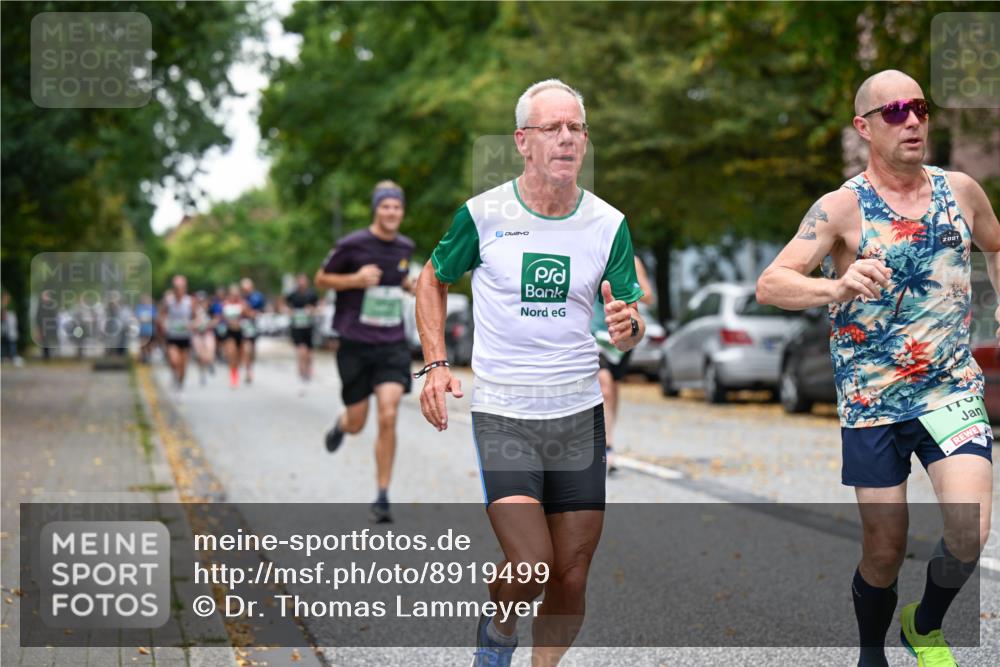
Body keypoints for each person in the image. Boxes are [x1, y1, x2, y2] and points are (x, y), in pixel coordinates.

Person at [756, 70, 997, 667]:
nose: (911, 120)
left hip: (951, 391)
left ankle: (925, 625)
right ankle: (871, 652)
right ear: (864, 127)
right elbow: (772, 283)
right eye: (894, 112)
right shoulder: (840, 207)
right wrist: (835, 287)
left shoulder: (962, 192)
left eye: (919, 107)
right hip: (873, 403)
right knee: (884, 550)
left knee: (969, 531)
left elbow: (996, 244)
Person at [415, 79, 645, 667]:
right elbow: (432, 279)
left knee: (571, 573)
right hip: (506, 414)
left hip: (578, 414)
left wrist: (628, 328)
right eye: (552, 128)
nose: (566, 138)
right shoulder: (483, 215)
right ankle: (498, 628)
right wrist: (436, 364)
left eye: (576, 128)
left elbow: (627, 319)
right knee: (532, 565)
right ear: (522, 141)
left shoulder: (608, 223)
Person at [315, 179, 416, 524]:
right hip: (355, 344)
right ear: (376, 209)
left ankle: (382, 495)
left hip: (391, 344)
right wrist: (354, 280)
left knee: (388, 414)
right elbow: (321, 279)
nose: (391, 212)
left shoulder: (405, 247)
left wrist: (411, 286)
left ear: (402, 211)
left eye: (397, 207)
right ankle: (342, 425)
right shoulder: (352, 244)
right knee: (358, 422)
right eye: (385, 206)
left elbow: (398, 280)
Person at [593, 255, 655, 474]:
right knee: (605, 385)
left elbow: (649, 296)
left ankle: (608, 441)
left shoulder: (631, 259)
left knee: (613, 385)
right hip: (591, 332)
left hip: (620, 331)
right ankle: (603, 445)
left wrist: (626, 288)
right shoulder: (585, 248)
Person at [284, 273, 319, 394]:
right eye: (300, 281)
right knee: (301, 351)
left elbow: (319, 307)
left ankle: (308, 370)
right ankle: (301, 377)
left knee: (308, 353)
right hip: (296, 327)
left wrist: (312, 310)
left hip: (309, 327)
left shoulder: (312, 294)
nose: (301, 283)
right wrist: (290, 311)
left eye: (303, 281)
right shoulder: (292, 295)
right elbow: (283, 305)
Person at [160, 275, 194, 392]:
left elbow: (197, 317)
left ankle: (180, 383)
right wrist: (163, 323)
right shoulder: (169, 301)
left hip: (185, 336)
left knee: (183, 365)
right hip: (172, 335)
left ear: (185, 288)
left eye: (181, 288)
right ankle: (174, 374)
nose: (178, 290)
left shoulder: (189, 301)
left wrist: (192, 324)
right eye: (176, 288)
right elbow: (162, 315)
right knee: (174, 361)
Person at [217, 285, 247, 389]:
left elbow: (247, 315)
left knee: (238, 357)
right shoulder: (225, 304)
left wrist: (244, 314)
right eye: (232, 294)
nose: (234, 296)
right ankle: (233, 378)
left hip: (240, 332)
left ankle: (236, 373)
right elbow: (220, 318)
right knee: (231, 354)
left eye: (236, 294)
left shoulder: (242, 304)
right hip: (229, 332)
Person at [239, 277, 266, 385]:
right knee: (246, 349)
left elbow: (262, 309)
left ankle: (250, 367)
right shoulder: (240, 298)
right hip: (243, 326)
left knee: (253, 350)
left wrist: (255, 313)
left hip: (254, 325)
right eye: (244, 288)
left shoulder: (257, 297)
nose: (246, 290)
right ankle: (247, 371)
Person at [191, 291, 216, 385]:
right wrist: (195, 323)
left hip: (208, 333)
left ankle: (210, 363)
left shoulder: (210, 309)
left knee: (209, 352)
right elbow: (190, 321)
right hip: (198, 334)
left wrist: (209, 324)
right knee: (200, 356)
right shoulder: (194, 310)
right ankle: (202, 374)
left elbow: (216, 319)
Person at [1, 291, 23, 366]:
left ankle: (12, 356)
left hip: (10, 328)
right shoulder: (2, 306)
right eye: (6, 298)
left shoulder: (10, 306)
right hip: (4, 327)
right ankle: (4, 357)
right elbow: (3, 317)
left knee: (11, 342)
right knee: (4, 343)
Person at [135, 294, 157, 364]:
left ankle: (148, 356)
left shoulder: (152, 308)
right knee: (143, 344)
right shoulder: (139, 308)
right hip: (142, 330)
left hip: (151, 330)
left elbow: (155, 318)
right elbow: (136, 317)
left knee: (149, 345)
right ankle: (144, 357)